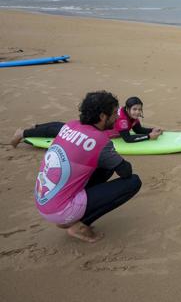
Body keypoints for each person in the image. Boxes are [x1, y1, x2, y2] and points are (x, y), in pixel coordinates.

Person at [33, 90, 142, 243]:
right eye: (113, 113)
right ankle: (80, 225)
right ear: (103, 116)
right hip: (59, 209)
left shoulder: (70, 125)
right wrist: (110, 153)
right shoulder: (99, 140)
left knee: (107, 166)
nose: (117, 116)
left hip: (43, 200)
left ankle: (69, 217)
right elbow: (126, 172)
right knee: (133, 182)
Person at [10, 96, 162, 146]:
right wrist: (149, 137)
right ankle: (22, 133)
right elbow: (127, 139)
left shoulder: (132, 118)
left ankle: (36, 126)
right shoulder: (122, 120)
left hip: (91, 126)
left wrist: (152, 130)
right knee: (60, 130)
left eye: (139, 109)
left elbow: (138, 131)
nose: (137, 112)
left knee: (62, 126)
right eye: (134, 109)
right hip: (90, 132)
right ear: (127, 109)